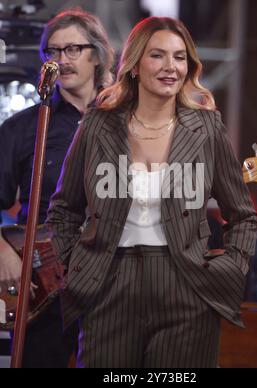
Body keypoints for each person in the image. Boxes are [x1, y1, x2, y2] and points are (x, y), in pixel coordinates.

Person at [46, 16, 257, 368]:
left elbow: (243, 215)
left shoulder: (206, 127)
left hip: (187, 283)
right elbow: (64, 209)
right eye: (158, 55)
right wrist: (75, 266)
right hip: (108, 282)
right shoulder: (97, 125)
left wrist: (231, 266)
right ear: (135, 64)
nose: (170, 67)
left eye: (179, 57)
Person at [0, 8, 114, 368]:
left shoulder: (127, 122)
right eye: (52, 51)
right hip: (44, 289)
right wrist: (3, 250)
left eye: (72, 50)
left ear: (96, 54)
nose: (61, 60)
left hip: (110, 285)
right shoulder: (22, 129)